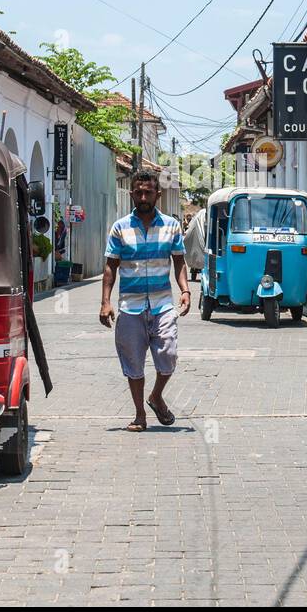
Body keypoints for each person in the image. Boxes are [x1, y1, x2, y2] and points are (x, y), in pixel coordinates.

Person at [100, 170, 190, 432]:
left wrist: (185, 290)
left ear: (157, 194)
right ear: (131, 194)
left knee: (169, 355)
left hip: (162, 305)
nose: (142, 197)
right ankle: (140, 414)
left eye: (147, 192)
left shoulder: (172, 227)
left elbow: (179, 261)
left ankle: (156, 396)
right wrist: (105, 302)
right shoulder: (120, 228)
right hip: (130, 307)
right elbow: (110, 267)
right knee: (133, 362)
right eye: (138, 192)